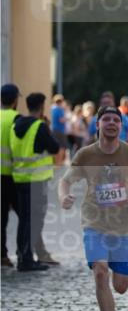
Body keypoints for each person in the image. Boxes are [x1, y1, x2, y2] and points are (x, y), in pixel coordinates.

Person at [58, 105, 128, 311]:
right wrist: (64, 197)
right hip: (95, 222)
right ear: (97, 124)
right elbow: (65, 181)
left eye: (116, 120)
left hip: (124, 226)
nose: (111, 123)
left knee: (120, 286)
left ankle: (112, 267)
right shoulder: (86, 154)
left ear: (121, 126)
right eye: (106, 119)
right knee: (100, 271)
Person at [10, 92, 63, 271]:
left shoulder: (16, 124)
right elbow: (55, 148)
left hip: (19, 178)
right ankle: (26, 259)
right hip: (36, 180)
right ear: (41, 107)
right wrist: (47, 127)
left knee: (25, 219)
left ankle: (22, 255)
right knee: (34, 220)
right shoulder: (39, 126)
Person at [1, 83, 21, 268]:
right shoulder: (17, 119)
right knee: (24, 216)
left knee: (1, 218)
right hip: (11, 176)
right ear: (15, 100)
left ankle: (2, 255)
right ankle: (24, 254)